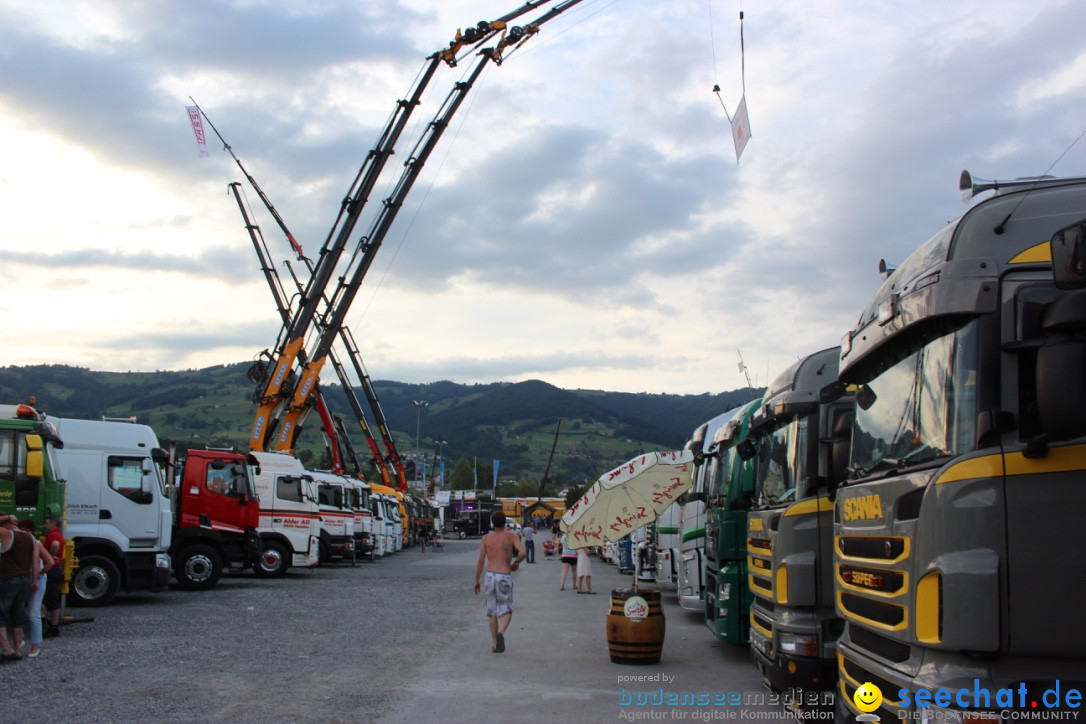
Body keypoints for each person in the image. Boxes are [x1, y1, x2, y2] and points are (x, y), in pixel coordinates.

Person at [472, 510, 526, 653]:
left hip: (490, 575)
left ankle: (496, 644)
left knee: (492, 611)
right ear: (504, 522)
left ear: (492, 522)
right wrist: (516, 562)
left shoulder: (486, 538)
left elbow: (480, 561)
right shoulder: (511, 536)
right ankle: (501, 632)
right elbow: (523, 552)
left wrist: (476, 580)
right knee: (507, 608)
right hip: (503, 575)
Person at [0, 514, 39, 661]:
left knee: (1, 614)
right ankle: (17, 651)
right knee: (18, 614)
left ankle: (6, 650)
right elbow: (35, 562)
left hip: (9, 579)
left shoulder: (7, 534)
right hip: (25, 579)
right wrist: (34, 580)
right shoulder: (30, 538)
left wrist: (6, 517)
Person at [18, 519, 54, 658]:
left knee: (33, 613)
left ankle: (34, 645)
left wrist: (39, 574)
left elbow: (50, 562)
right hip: (29, 579)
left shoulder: (35, 544)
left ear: (30, 531)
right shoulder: (31, 543)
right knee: (25, 611)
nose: (22, 532)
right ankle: (27, 642)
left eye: (25, 530)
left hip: (34, 579)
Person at [42, 514, 64, 637]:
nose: (45, 525)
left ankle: (54, 627)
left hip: (52, 568)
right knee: (50, 596)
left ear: (53, 524)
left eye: (47, 523)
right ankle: (52, 624)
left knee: (51, 597)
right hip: (54, 568)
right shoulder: (57, 534)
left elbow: (55, 544)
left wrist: (49, 557)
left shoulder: (54, 535)